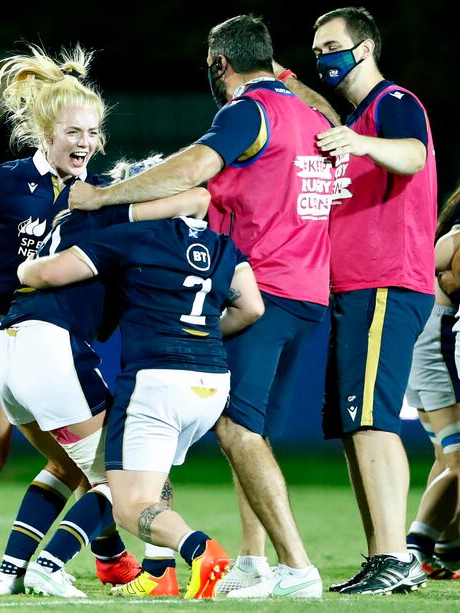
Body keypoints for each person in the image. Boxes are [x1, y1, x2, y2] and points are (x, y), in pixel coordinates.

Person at [69, 14, 331, 599]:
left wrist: (104, 196)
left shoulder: (248, 110)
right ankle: (253, 563)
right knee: (248, 429)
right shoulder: (308, 113)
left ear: (221, 64)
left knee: (237, 428)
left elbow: (196, 167)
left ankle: (295, 567)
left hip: (266, 283)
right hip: (307, 288)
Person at [0, 44, 134, 590]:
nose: (85, 144)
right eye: (74, 132)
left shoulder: (96, 193)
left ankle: (96, 559)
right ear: (47, 130)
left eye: (93, 134)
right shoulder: (4, 180)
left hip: (52, 332)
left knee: (77, 463)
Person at [0, 156, 211, 597]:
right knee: (122, 477)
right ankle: (50, 565)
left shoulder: (81, 220)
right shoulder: (108, 208)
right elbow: (198, 197)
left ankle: (8, 572)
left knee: (65, 466)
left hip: (9, 347)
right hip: (50, 346)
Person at [18, 211, 264, 600]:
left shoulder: (136, 235)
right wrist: (198, 334)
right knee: (154, 476)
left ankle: (202, 551)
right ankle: (158, 573)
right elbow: (251, 307)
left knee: (129, 506)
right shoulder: (223, 244)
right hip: (212, 382)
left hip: (157, 380)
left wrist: (22, 269)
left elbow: (48, 274)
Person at [308, 7, 436, 595]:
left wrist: (360, 142)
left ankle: (397, 556)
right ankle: (379, 556)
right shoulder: (355, 120)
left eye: (332, 45)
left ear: (364, 48)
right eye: (316, 48)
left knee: (373, 422)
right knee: (354, 425)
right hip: (353, 288)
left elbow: (413, 155)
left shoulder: (393, 102)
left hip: (386, 281)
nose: (323, 56)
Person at [404, 184, 460, 580]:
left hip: (423, 342)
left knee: (446, 457)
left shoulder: (447, 237)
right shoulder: (456, 241)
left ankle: (447, 548)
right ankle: (418, 548)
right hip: (437, 347)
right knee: (458, 460)